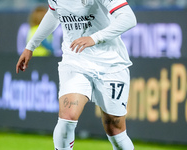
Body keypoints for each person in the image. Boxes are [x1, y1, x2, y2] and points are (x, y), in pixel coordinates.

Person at [16, 0, 137, 149]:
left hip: (110, 64)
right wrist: (31, 46)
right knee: (68, 116)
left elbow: (129, 18)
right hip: (75, 60)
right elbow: (54, 13)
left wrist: (94, 38)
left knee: (115, 128)